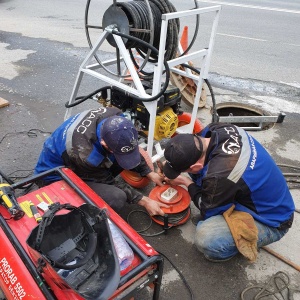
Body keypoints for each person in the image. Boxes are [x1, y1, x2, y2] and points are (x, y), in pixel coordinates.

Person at [162, 122, 295, 262]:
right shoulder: (215, 129)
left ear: (196, 165)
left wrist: (185, 182)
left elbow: (207, 210)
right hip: (266, 193)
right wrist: (172, 163)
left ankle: (228, 249)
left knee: (207, 239)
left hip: (274, 220)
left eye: (185, 170)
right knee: (201, 178)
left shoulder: (220, 176)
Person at [34, 106, 168, 216]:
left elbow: (128, 148)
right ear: (104, 143)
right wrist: (144, 201)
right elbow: (107, 181)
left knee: (118, 155)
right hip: (54, 177)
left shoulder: (117, 119)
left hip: (79, 158)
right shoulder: (85, 154)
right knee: (116, 198)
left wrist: (149, 173)